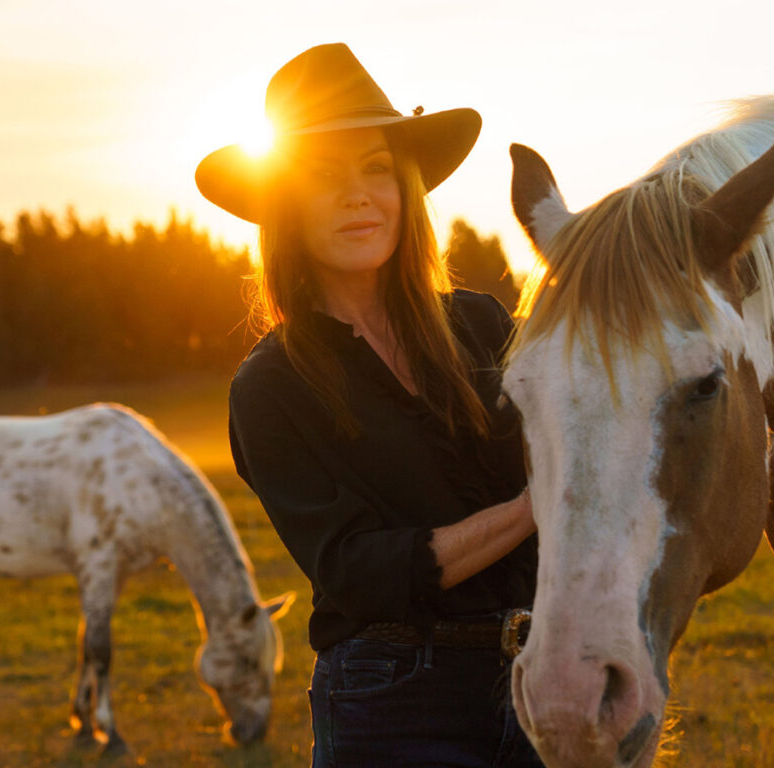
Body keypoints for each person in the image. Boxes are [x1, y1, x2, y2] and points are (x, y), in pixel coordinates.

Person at [195, 43, 542, 767]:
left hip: (542, 674)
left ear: (406, 189)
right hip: (393, 699)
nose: (358, 196)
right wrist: (529, 511)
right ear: (285, 207)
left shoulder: (481, 325)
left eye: (377, 170)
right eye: (324, 179)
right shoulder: (271, 387)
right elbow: (358, 570)